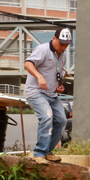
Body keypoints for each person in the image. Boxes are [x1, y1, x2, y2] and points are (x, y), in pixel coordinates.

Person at [24, 26, 72, 164]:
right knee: (46, 117)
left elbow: (60, 72)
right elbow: (28, 64)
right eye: (61, 43)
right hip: (36, 92)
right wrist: (39, 77)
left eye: (66, 45)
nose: (63, 47)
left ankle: (48, 151)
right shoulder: (43, 49)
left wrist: (60, 85)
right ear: (54, 39)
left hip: (52, 94)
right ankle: (39, 153)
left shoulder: (62, 54)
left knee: (62, 120)